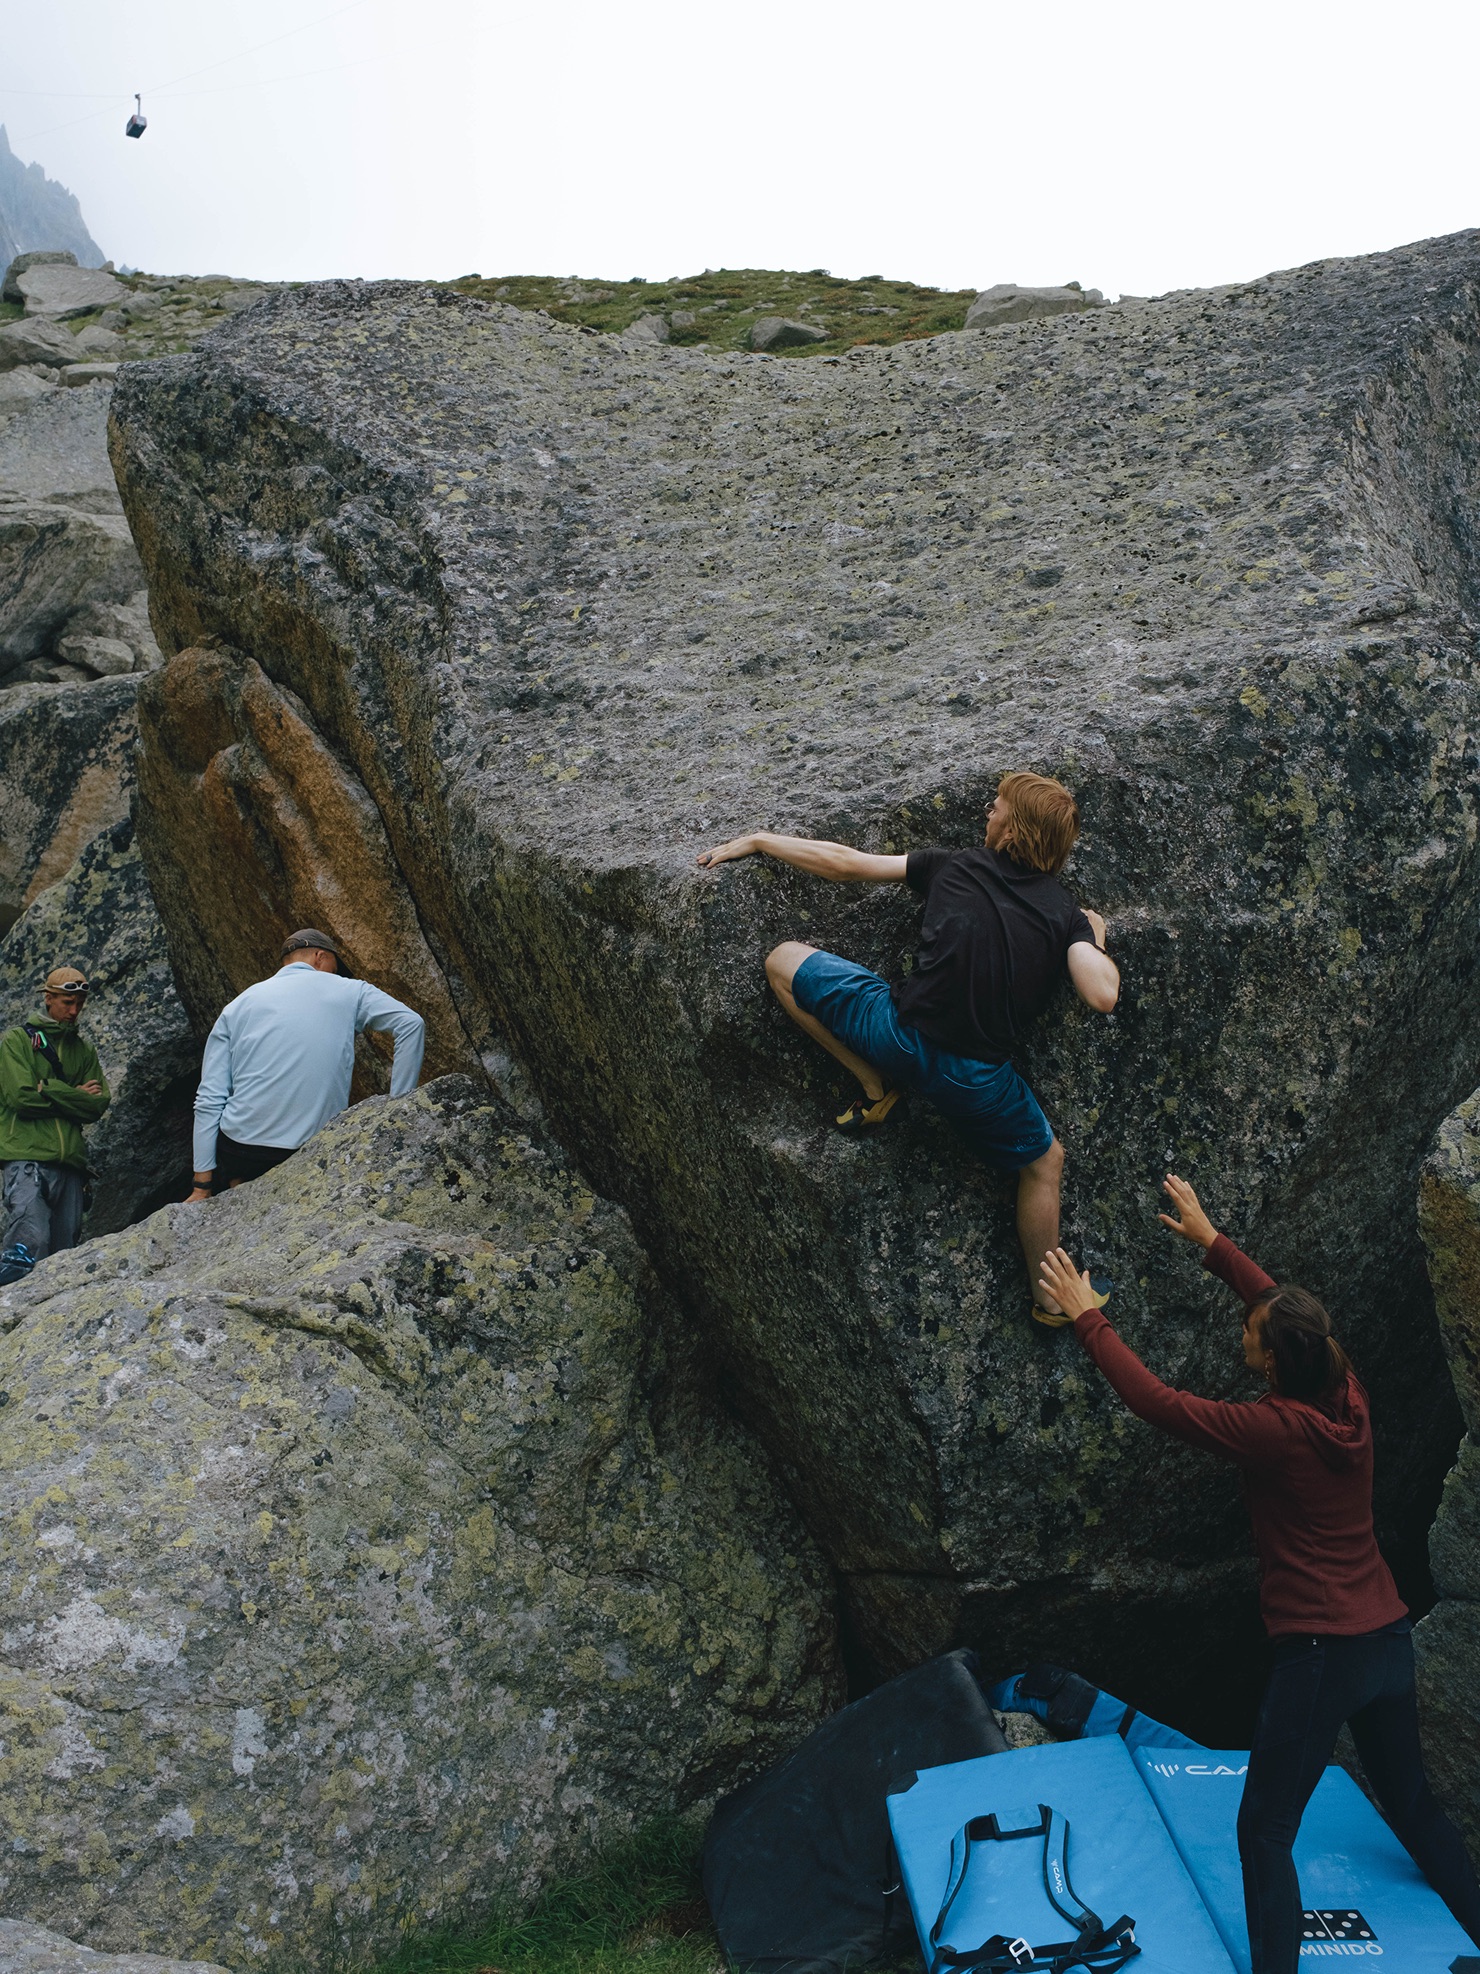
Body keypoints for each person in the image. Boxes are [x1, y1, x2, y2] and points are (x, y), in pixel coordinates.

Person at [1038, 1179, 1480, 1974]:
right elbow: (1284, 1304)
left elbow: (1160, 1405)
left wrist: (1086, 1316)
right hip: (1387, 1640)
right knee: (1412, 1803)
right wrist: (1213, 1244)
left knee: (1264, 1832)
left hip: (1324, 1655)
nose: (1246, 1334)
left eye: (1252, 1335)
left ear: (1275, 1359)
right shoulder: (1348, 1393)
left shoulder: (1273, 1429)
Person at [697, 772, 1120, 1318]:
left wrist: (760, 840)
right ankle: (1050, 1299)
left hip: (897, 1034)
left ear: (1012, 829)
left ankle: (875, 1085)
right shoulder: (1064, 916)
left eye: (996, 808)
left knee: (781, 961)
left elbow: (847, 863)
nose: (986, 814)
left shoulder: (955, 864)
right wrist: (1093, 935)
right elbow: (1101, 993)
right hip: (973, 1081)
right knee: (1044, 1163)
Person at [187, 929, 426, 1201]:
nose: (335, 976)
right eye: (335, 970)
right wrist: (398, 1105)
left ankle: (238, 1189)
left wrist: (201, 1186)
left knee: (242, 1171)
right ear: (320, 957)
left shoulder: (238, 1005)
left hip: (243, 1149)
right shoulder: (351, 990)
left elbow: (209, 1098)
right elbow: (411, 1024)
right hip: (312, 1148)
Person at [0, 965, 110, 1266]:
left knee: (64, 1255)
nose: (74, 1011)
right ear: (49, 998)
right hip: (27, 1158)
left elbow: (97, 1105)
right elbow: (21, 1098)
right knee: (28, 1243)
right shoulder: (16, 1041)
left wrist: (46, 1088)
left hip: (70, 1166)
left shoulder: (84, 1050)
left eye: (79, 1004)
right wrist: (73, 1093)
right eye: (67, 1002)